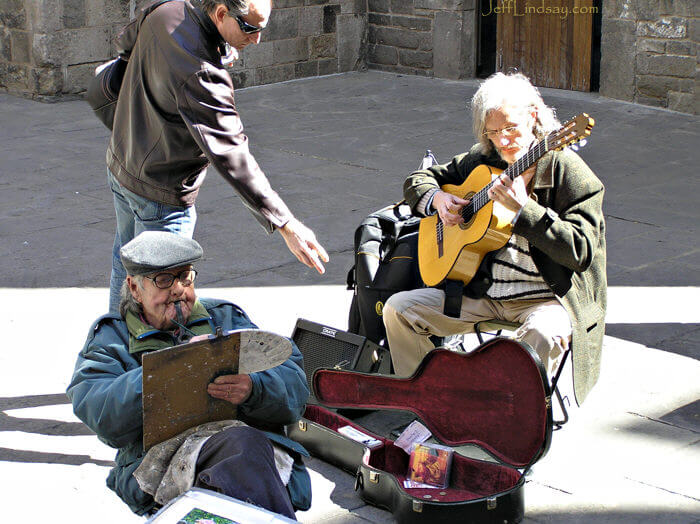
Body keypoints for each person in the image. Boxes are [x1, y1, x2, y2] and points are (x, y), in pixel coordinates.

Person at [383, 72, 606, 405]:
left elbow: (581, 250)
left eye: (512, 128)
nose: (504, 141)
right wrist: (437, 200)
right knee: (398, 310)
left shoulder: (567, 171)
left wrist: (523, 212)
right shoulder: (484, 159)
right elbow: (419, 180)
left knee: (540, 336)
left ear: (533, 116)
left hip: (545, 300)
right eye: (494, 132)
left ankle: (509, 420)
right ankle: (427, 404)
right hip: (483, 294)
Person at [66, 231, 311, 518]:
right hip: (161, 460)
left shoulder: (225, 317)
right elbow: (97, 409)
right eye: (163, 280)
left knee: (241, 454)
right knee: (243, 451)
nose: (178, 289)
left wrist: (253, 387)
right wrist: (168, 371)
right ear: (134, 288)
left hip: (239, 446)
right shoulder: (112, 337)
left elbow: (294, 385)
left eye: (185, 276)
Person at [106, 0, 328, 313]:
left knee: (127, 269)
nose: (257, 38)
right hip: (161, 191)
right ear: (222, 13)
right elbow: (231, 153)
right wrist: (286, 223)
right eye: (250, 28)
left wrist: (215, 49)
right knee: (164, 304)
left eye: (262, 29)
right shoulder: (202, 73)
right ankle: (146, 358)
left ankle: (112, 352)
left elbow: (127, 44)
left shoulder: (167, 9)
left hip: (123, 162)